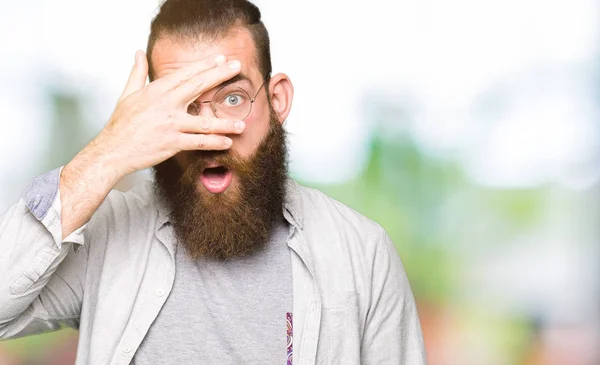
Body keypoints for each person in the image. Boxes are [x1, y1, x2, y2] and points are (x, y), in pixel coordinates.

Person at [0, 0, 426, 364]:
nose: (209, 135)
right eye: (184, 104)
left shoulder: (361, 254)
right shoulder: (104, 239)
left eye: (233, 98)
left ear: (276, 102)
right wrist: (108, 152)